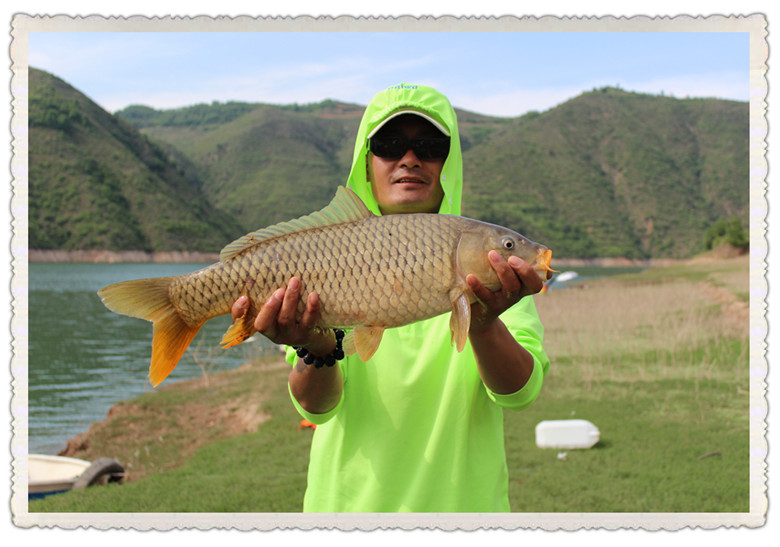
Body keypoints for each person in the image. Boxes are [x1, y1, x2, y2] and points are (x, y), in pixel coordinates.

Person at [231, 83, 550, 512]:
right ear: (367, 161)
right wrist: (315, 347)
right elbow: (317, 409)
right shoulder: (326, 248)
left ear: (448, 161)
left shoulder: (500, 283)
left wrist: (486, 323)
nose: (410, 158)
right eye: (389, 144)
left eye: (430, 145)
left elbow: (519, 395)